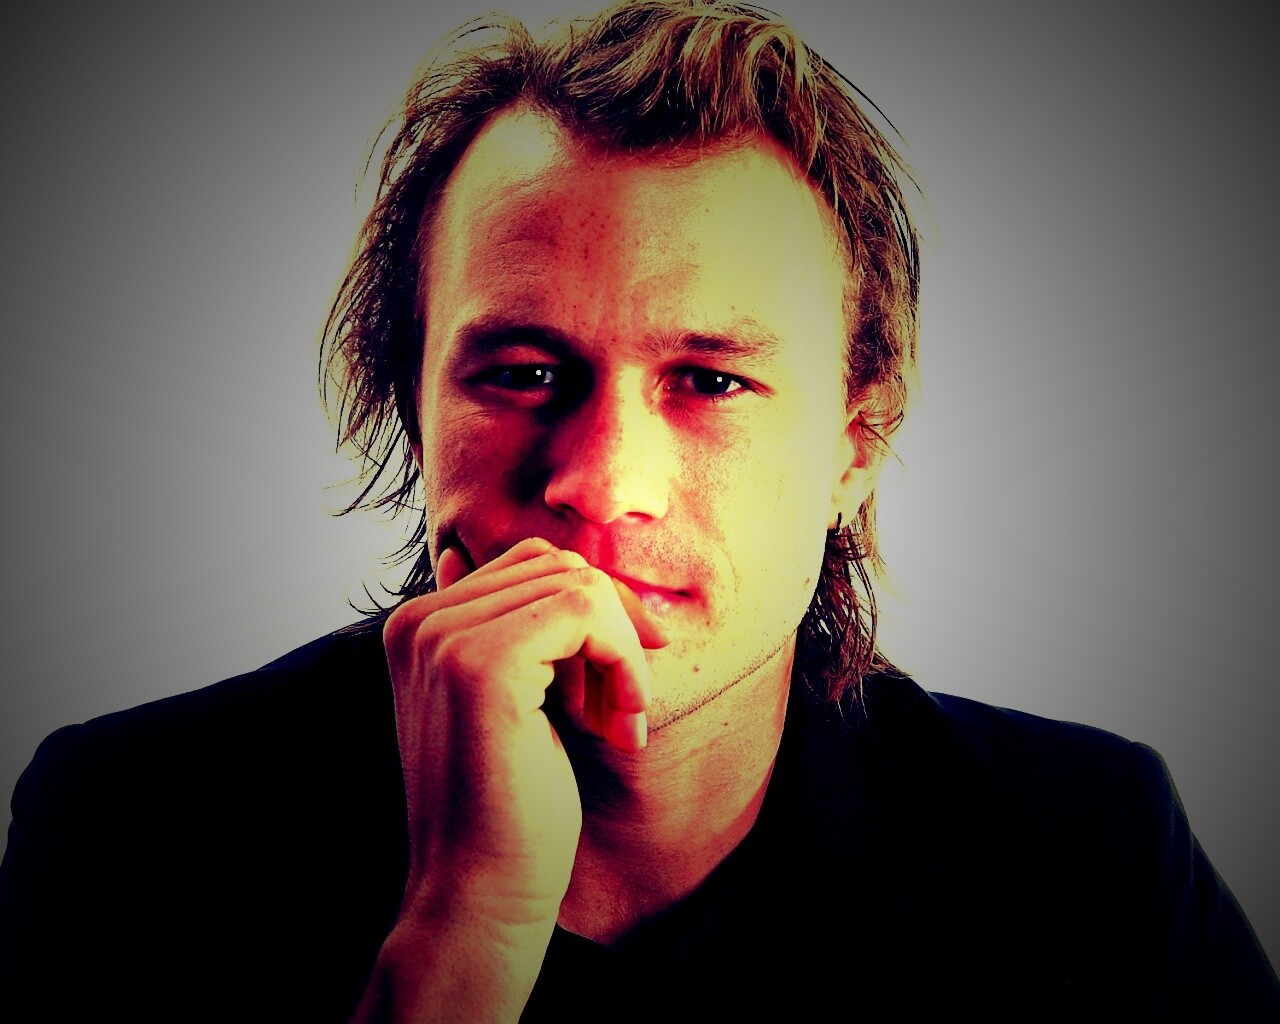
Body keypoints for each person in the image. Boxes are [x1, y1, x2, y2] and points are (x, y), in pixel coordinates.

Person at [2, 1, 1277, 1020]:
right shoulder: (130, 831)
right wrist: (463, 931)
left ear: (853, 443)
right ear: (411, 402)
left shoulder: (1090, 850)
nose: (603, 482)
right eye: (523, 373)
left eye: (710, 381)